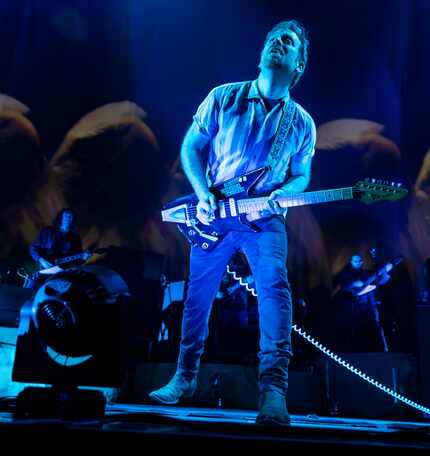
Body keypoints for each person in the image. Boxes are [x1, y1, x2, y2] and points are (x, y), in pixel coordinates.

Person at [149, 19, 316, 426]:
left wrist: (285, 193)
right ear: (262, 54)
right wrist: (203, 192)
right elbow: (191, 145)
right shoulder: (224, 97)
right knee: (197, 296)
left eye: (288, 42)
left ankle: (273, 392)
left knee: (275, 289)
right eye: (273, 39)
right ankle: (184, 377)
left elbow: (301, 174)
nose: (277, 43)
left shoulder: (302, 124)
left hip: (265, 218)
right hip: (216, 210)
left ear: (298, 65)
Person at [332, 253, 392, 352]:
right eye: (356, 261)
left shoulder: (366, 273)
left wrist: (386, 272)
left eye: (360, 261)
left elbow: (381, 281)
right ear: (351, 262)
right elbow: (343, 286)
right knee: (354, 330)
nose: (358, 263)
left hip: (368, 307)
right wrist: (353, 283)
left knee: (371, 330)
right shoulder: (344, 273)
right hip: (353, 307)